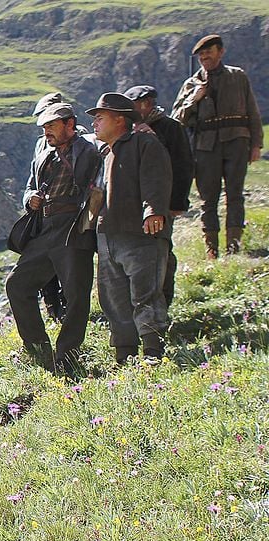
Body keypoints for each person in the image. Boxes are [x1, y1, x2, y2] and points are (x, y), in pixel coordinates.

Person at [5, 102, 102, 375]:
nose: (46, 131)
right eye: (44, 126)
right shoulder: (43, 153)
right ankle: (38, 350)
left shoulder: (88, 150)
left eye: (52, 125)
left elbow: (96, 186)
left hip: (73, 226)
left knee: (76, 294)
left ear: (70, 124)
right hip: (44, 226)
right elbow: (29, 187)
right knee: (17, 284)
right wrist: (29, 199)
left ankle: (68, 355)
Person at [87, 93, 173, 364]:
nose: (94, 124)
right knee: (113, 297)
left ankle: (152, 350)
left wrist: (153, 211)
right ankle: (124, 354)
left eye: (100, 118)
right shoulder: (105, 152)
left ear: (120, 120)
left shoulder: (144, 143)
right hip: (108, 234)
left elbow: (156, 178)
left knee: (146, 293)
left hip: (141, 233)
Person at [172, 33, 263, 258]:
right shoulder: (191, 84)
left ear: (220, 52)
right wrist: (195, 98)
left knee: (235, 195)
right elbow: (176, 118)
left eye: (209, 53)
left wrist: (256, 144)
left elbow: (252, 111)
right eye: (202, 55)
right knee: (208, 199)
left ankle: (234, 247)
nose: (205, 58)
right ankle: (211, 250)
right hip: (205, 146)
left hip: (237, 142)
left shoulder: (238, 76)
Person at [125, 84, 194, 305]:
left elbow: (183, 166)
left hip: (161, 203)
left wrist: (176, 203)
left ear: (145, 104)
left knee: (161, 251)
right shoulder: (127, 129)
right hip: (132, 204)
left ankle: (162, 303)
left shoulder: (171, 128)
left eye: (133, 106)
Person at [32, 92, 68, 322]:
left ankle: (69, 311)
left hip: (68, 218)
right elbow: (32, 181)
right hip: (44, 216)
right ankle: (53, 310)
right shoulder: (40, 145)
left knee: (68, 268)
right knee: (45, 269)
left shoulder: (79, 140)